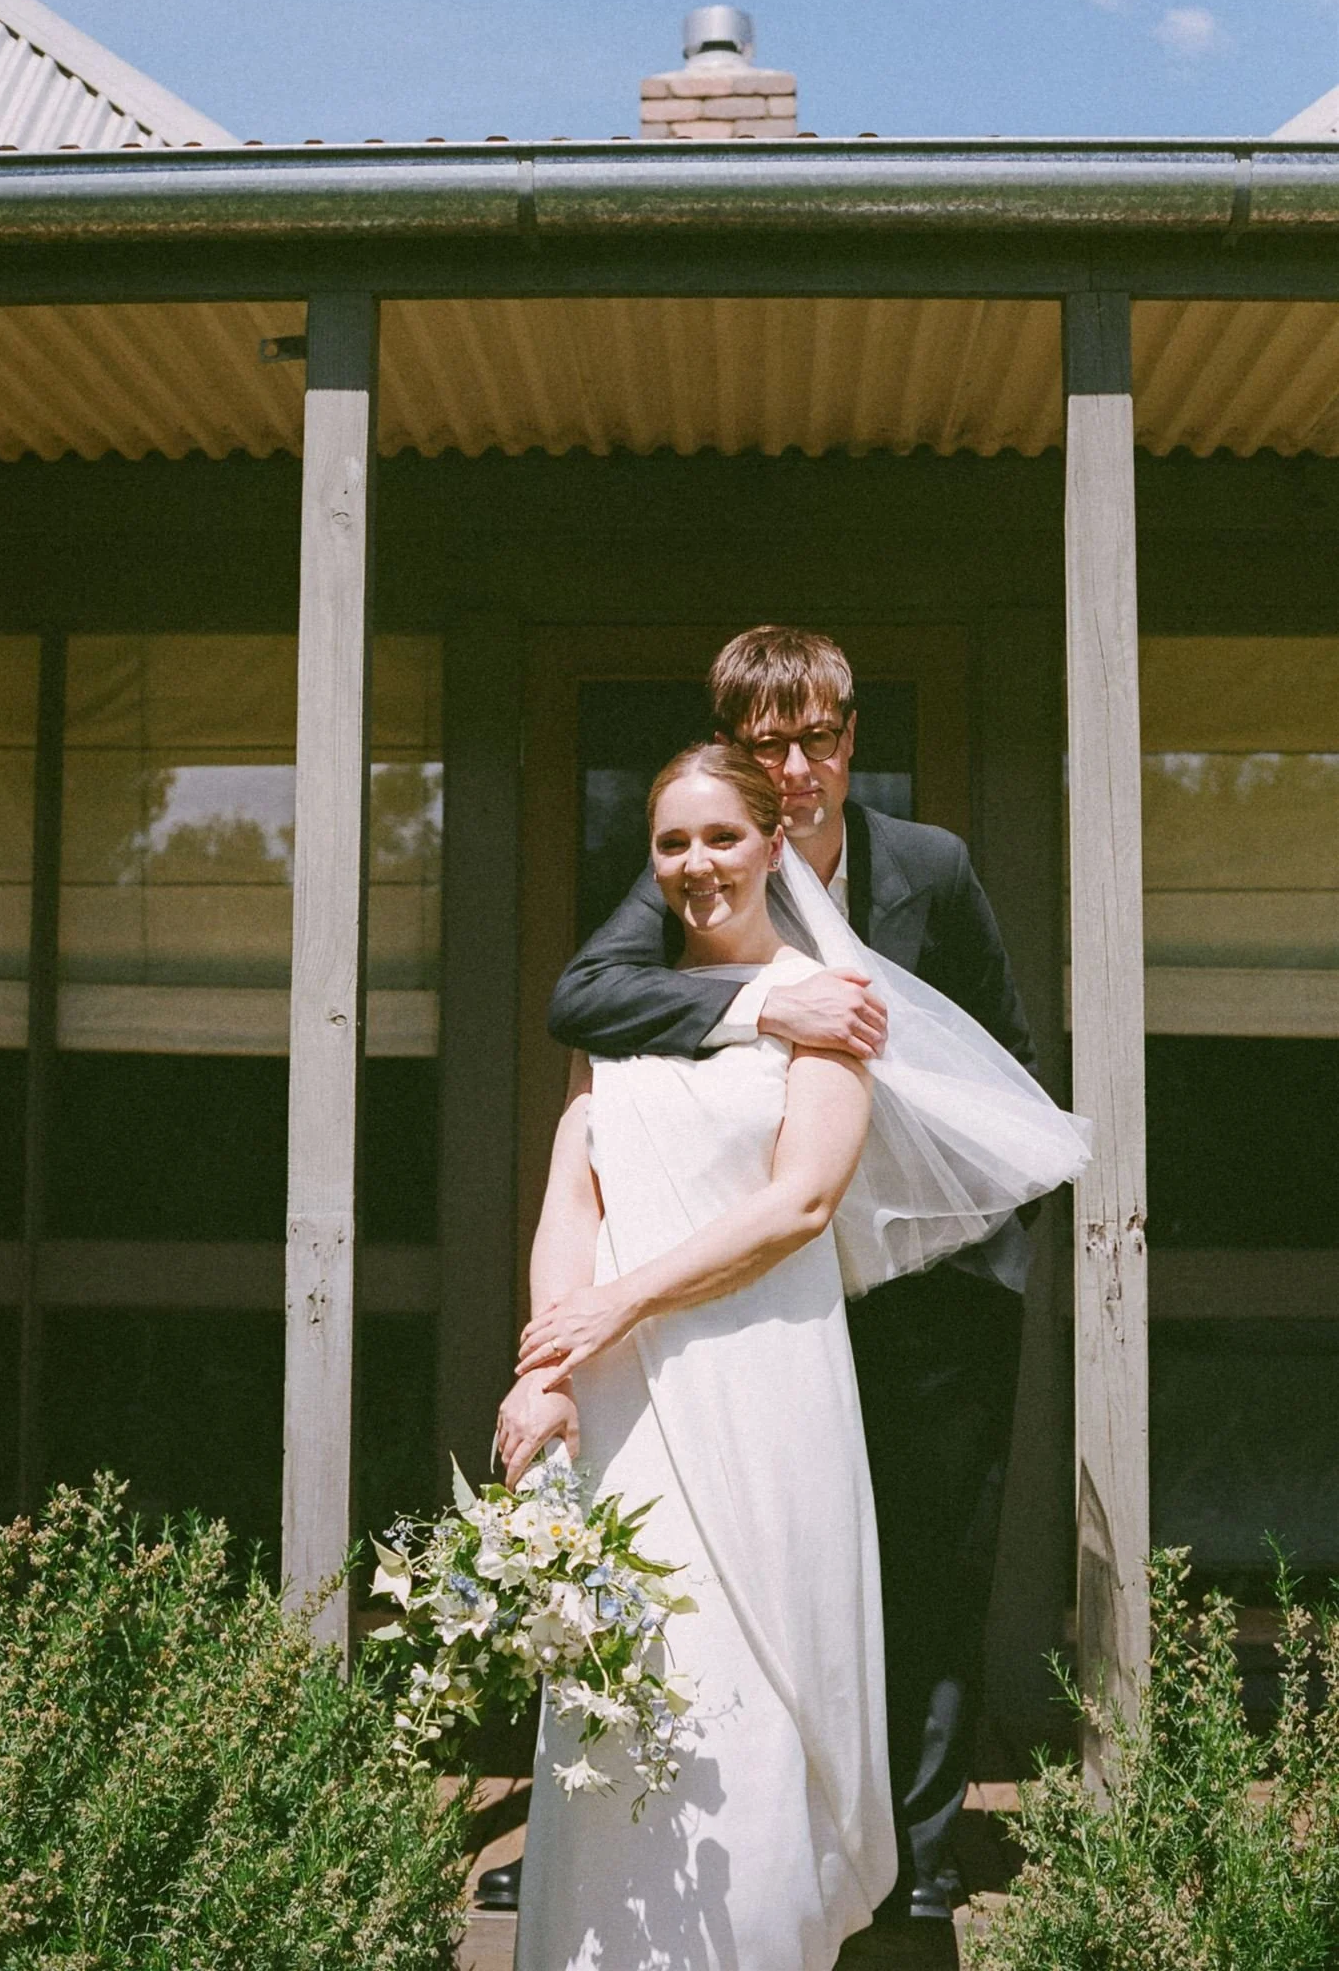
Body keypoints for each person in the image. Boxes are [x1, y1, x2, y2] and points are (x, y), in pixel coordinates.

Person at [536, 625, 1045, 1927]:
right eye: (768, 742)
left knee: (927, 1560)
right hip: (764, 1284)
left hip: (932, 1283)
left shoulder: (929, 868)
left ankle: (916, 1866)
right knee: (773, 1560)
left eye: (820, 735)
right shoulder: (694, 870)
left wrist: (942, 1208)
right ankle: (713, 1835)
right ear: (734, 756)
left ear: (851, 738)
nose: (799, 763)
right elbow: (585, 999)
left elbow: (1000, 1049)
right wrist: (767, 1008)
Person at [497, 742, 896, 1970]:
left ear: (775, 845)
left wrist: (620, 1301)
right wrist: (546, 1369)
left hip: (760, 1379)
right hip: (619, 1399)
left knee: (750, 1679)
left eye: (720, 836)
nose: (695, 863)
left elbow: (798, 1206)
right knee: (619, 1670)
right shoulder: (618, 1005)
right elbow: (572, 1193)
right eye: (671, 842)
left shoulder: (826, 1010)